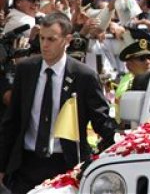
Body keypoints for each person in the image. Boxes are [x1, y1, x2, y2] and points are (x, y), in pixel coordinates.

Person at [0, 12, 116, 194]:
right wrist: (2, 166)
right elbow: (12, 120)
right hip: (26, 164)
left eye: (51, 39)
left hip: (65, 164)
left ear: (67, 40)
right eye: (42, 38)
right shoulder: (26, 70)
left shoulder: (84, 76)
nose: (44, 45)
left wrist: (113, 153)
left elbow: (101, 121)